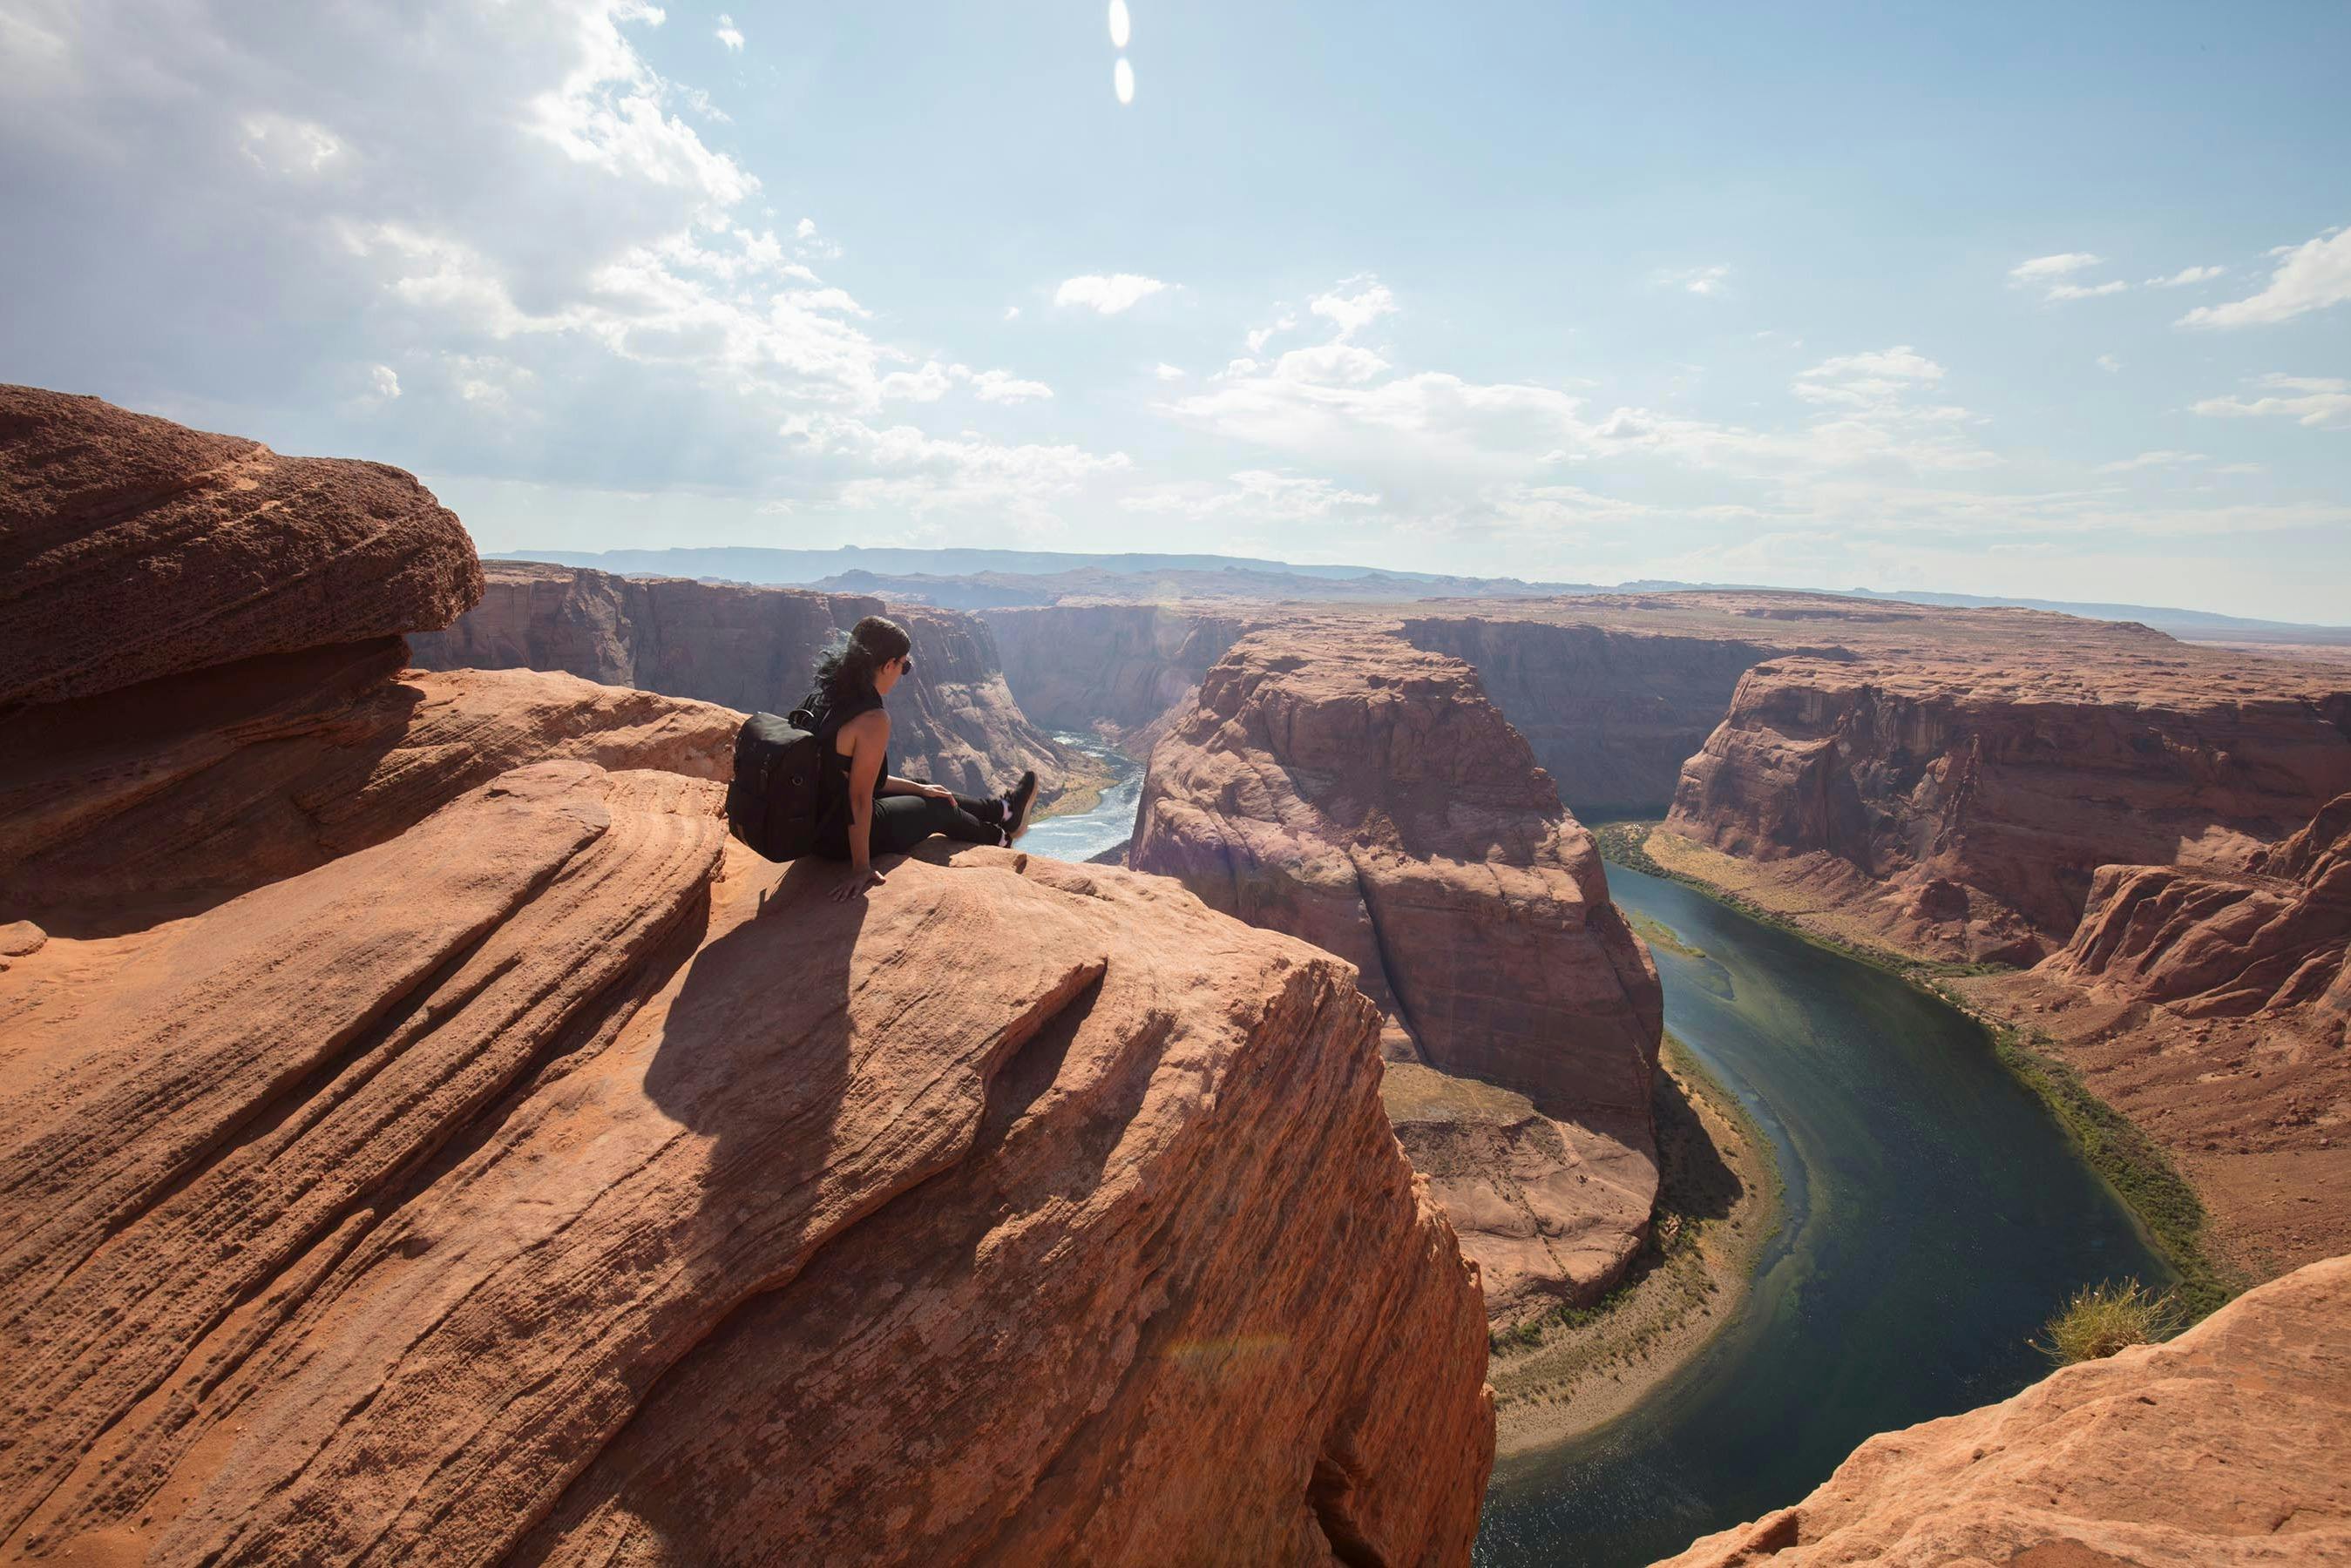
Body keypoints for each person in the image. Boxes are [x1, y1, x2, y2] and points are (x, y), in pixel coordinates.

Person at [807, 615, 1038, 902]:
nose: (905, 670)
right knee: (936, 807)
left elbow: (849, 774)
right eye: (904, 664)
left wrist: (918, 789)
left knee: (923, 786)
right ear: (888, 665)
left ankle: (1003, 811)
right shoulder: (871, 719)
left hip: (815, 824)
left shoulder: (829, 692)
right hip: (835, 836)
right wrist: (861, 868)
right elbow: (858, 798)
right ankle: (999, 839)